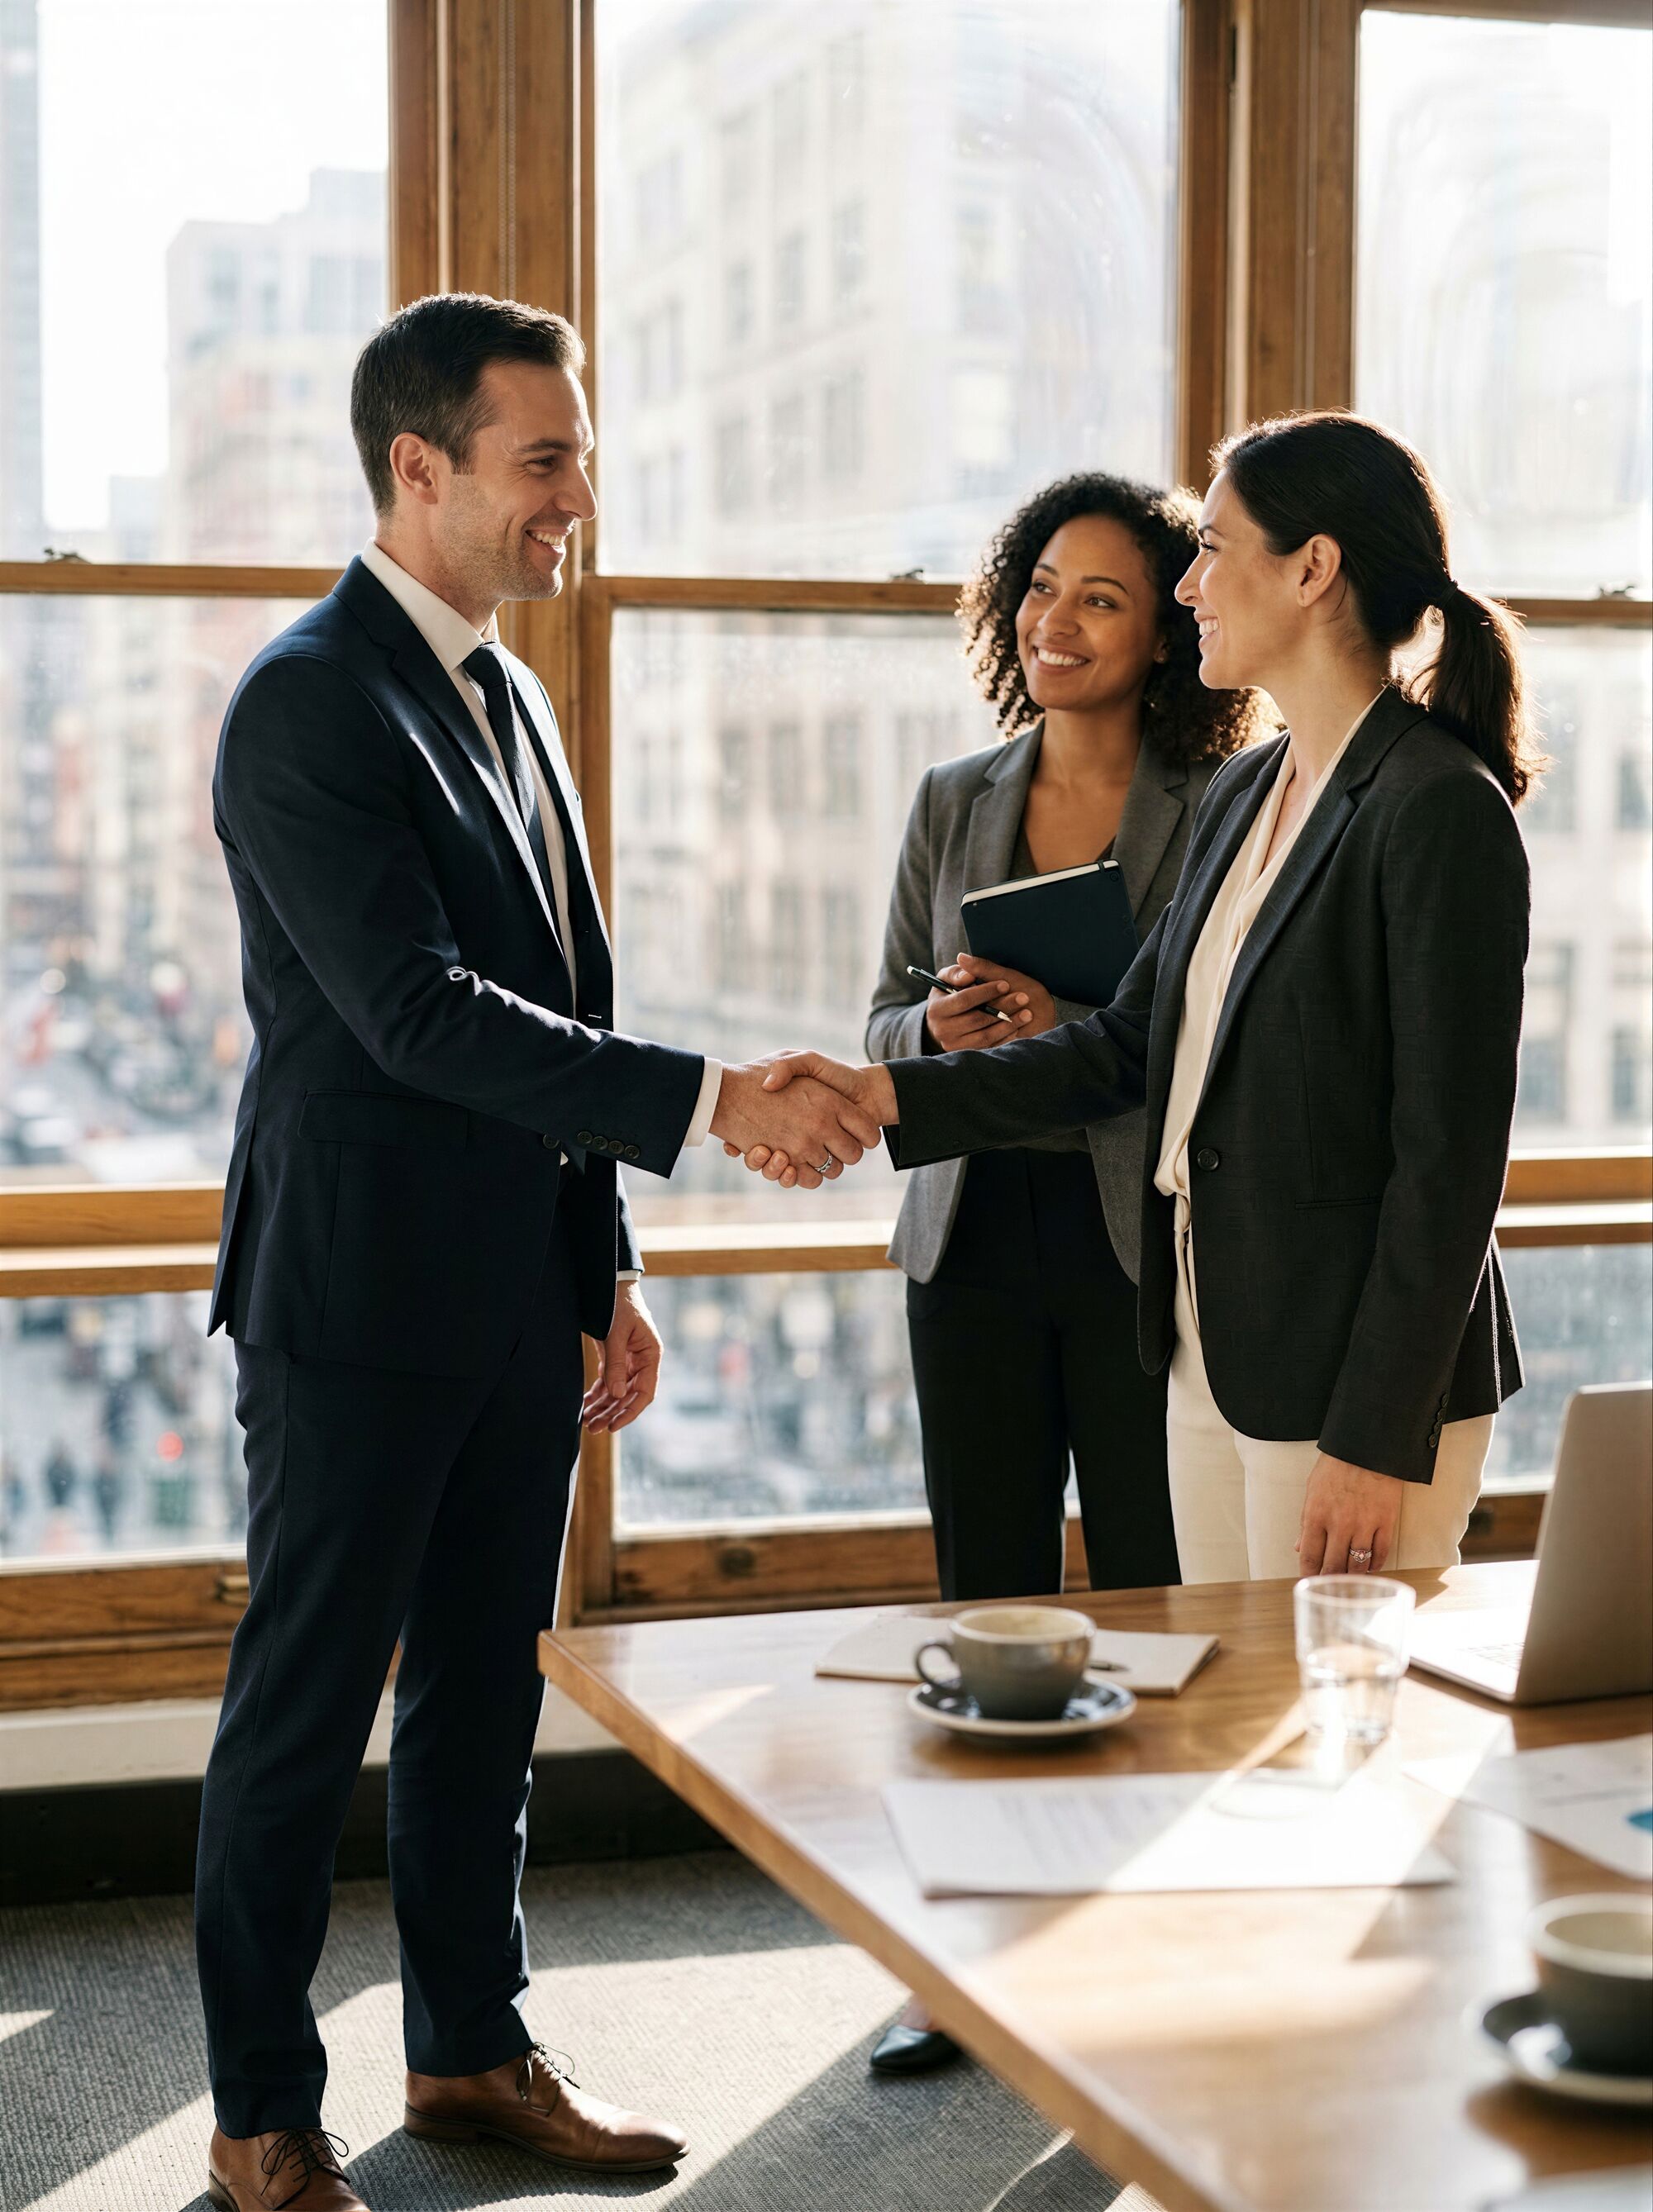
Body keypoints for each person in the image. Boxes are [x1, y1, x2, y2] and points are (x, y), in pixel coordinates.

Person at [194, 292, 879, 2212]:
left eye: (579, 452)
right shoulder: (305, 699)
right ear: (417, 469)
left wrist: (606, 1259)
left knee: (487, 1697)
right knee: (304, 1708)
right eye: (544, 459)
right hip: (353, 1295)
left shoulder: (514, 689)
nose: (579, 494)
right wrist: (717, 1096)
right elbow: (416, 1017)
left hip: (516, 1294)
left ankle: (470, 2054)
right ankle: (259, 2113)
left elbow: (564, 992)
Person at [746, 410, 1536, 1596]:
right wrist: (881, 1090)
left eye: (1213, 548)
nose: (1189, 582)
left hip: (1347, 1389)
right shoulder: (1256, 788)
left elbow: (1451, 1166)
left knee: (1333, 1751)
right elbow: (1126, 1042)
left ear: (1313, 570)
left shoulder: (1435, 806)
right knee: (1216, 1738)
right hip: (1209, 1358)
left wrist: (1380, 1433)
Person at [856, 474, 1269, 2081]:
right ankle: (969, 1958)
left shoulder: (1224, 800)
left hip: (1131, 1243)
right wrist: (939, 1035)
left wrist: (1065, 1041)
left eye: (1099, 594)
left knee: (1163, 1602)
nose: (1055, 618)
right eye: (1037, 585)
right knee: (990, 1604)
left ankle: (1165, 1939)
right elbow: (884, 1005)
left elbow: (1203, 1044)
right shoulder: (957, 794)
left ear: (1169, 625)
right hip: (969, 1241)